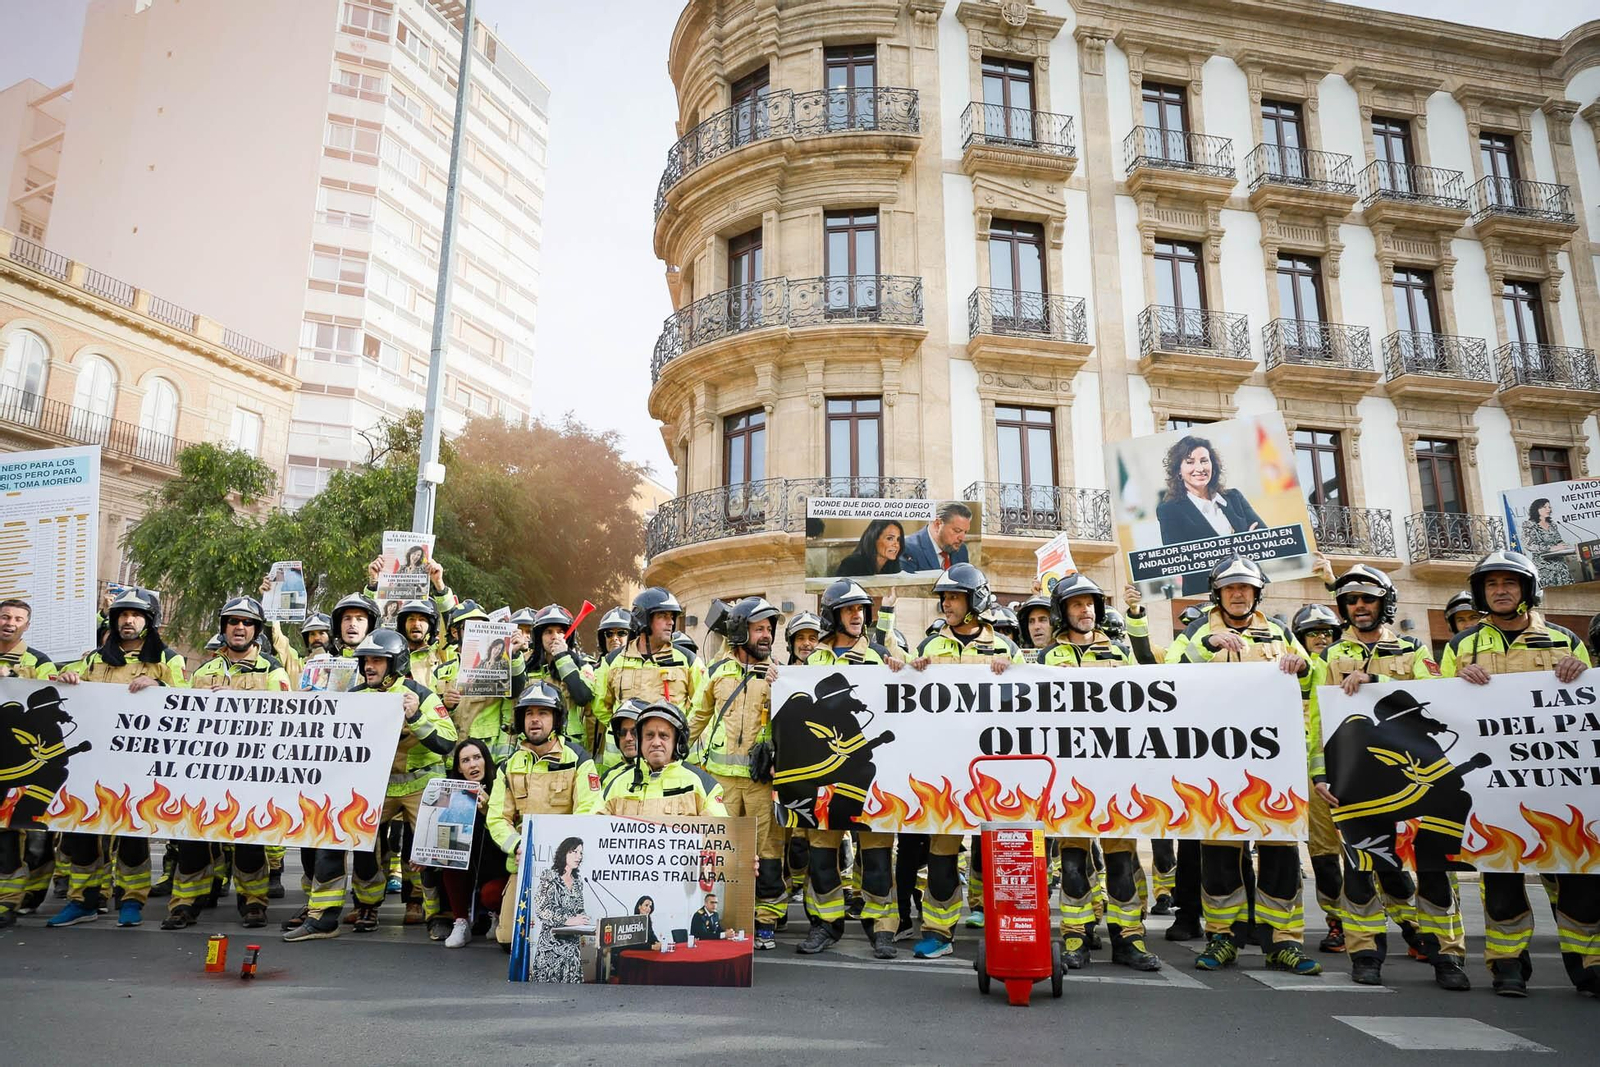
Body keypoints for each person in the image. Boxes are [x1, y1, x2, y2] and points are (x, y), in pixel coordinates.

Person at [1439, 549, 1596, 997]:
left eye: (1509, 583)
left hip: (1559, 786)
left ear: (1528, 589)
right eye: (1491, 584)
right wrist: (1453, 683)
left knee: (1578, 877)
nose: (1501, 591)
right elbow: (1439, 713)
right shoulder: (1459, 647)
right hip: (1491, 788)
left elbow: (1588, 707)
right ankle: (1507, 965)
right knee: (1501, 876)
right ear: (1480, 593)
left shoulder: (1566, 640)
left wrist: (1581, 673)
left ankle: (1590, 966)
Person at [1311, 565, 1466, 990]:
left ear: (1385, 603)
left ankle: (1447, 957)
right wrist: (1319, 773)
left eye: (1368, 599)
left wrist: (1376, 680)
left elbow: (1439, 697)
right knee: (1360, 871)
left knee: (1433, 870)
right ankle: (1365, 955)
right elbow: (1317, 723)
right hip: (1354, 784)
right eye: (1351, 601)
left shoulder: (1415, 650)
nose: (1359, 607)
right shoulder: (1327, 657)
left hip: (1422, 781)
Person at [1178, 555, 1320, 976]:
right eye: (1230, 589)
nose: (1238, 595)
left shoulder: (1279, 632)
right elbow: (1172, 681)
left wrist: (1303, 665)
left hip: (1273, 766)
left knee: (1281, 853)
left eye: (1245, 588)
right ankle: (1223, 937)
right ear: (1217, 594)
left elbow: (1310, 686)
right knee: (1219, 854)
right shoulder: (1197, 631)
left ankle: (1284, 942)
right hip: (1216, 765)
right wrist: (1206, 647)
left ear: (1257, 592)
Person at [285, 628, 455, 942]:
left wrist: (416, 716)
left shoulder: (421, 694)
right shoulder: (354, 697)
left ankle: (439, 914)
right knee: (337, 834)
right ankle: (330, 915)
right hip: (375, 787)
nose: (369, 667)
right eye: (365, 660)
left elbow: (447, 742)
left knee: (435, 850)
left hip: (421, 788)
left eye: (378, 660)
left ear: (396, 663)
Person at [1038, 573, 1161, 972]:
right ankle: (1076, 937)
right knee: (1072, 864)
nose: (1086, 610)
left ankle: (1129, 940)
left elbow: (1152, 678)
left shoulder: (1119, 652)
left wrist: (1137, 615)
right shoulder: (1045, 658)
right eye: (1077, 604)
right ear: (1062, 612)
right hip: (1068, 778)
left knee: (1122, 863)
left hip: (1114, 775)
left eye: (1091, 603)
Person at [48, 588, 187, 930]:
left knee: (132, 835)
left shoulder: (168, 660)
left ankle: (130, 899)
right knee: (83, 833)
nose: (128, 621)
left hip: (139, 766)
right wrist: (68, 679)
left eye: (135, 615)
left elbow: (187, 701)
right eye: (122, 615)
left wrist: (158, 684)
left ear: (149, 621)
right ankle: (83, 900)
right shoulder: (95, 658)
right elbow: (56, 689)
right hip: (92, 763)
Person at [908, 563, 1020, 960]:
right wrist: (907, 669)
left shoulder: (1006, 648)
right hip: (945, 774)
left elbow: (1029, 703)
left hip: (994, 772)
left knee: (995, 851)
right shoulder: (929, 647)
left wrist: (1015, 672)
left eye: (954, 597)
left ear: (975, 601)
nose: (946, 604)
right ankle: (938, 931)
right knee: (941, 853)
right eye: (944, 598)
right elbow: (901, 696)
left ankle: (1004, 925)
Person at [168, 596, 290, 932]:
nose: (240, 627)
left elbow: (285, 718)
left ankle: (253, 903)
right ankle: (184, 905)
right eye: (233, 622)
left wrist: (238, 699)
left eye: (247, 622)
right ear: (223, 627)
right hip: (206, 771)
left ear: (256, 630)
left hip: (252, 772)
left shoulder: (272, 669)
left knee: (249, 841)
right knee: (193, 840)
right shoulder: (205, 671)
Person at [799, 579, 905, 960]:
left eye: (861, 609)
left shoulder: (879, 654)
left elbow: (913, 685)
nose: (857, 615)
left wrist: (903, 668)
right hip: (822, 775)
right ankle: (825, 924)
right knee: (822, 856)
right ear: (833, 615)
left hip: (869, 775)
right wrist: (778, 679)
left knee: (876, 857)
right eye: (849, 609)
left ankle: (882, 928)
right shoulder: (812, 661)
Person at [691, 597, 786, 948]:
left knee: (767, 851)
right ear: (740, 630)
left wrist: (783, 690)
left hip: (761, 785)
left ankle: (766, 920)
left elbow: (791, 725)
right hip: (720, 784)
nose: (766, 635)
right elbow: (696, 718)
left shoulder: (780, 674)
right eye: (759, 628)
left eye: (769, 629)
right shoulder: (718, 672)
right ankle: (724, 918)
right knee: (722, 851)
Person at [483, 683, 603, 947]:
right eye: (528, 713)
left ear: (556, 719)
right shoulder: (509, 766)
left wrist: (565, 853)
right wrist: (517, 845)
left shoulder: (578, 760)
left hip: (568, 870)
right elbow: (497, 818)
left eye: (543, 713)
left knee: (568, 939)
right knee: (508, 940)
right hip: (525, 865)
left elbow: (590, 809)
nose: (535, 719)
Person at [0, 599, 57, 930]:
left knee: (15, 836)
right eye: (5, 616)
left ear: (27, 624)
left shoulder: (37, 660)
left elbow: (51, 699)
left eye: (18, 618)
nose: (10, 622)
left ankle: (10, 901)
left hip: (20, 763)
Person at [592, 588, 703, 749]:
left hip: (665, 756)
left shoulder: (688, 661)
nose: (671, 622)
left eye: (671, 616)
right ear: (644, 619)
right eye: (663, 616)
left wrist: (678, 735)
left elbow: (701, 706)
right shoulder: (612, 661)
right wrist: (624, 730)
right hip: (622, 759)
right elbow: (600, 705)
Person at [1154, 435, 1265, 595]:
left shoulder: (1234, 497)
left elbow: (1265, 539)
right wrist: (1242, 543)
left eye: (1204, 461)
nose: (1199, 468)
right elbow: (1179, 558)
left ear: (1213, 465)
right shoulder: (1169, 510)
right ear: (1179, 469)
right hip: (1204, 591)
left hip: (1249, 583)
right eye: (1190, 462)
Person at [437, 738, 509, 949]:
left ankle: (497, 915)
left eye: (477, 758)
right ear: (459, 768)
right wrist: (424, 856)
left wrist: (488, 812)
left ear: (486, 760)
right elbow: (440, 840)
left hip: (498, 868)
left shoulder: (501, 788)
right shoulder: (449, 794)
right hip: (467, 867)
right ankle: (460, 922)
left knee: (491, 894)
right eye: (466, 760)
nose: (473, 765)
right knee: (448, 863)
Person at [601, 701, 727, 817]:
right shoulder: (616, 785)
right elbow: (593, 831)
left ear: (677, 742)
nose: (656, 742)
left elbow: (718, 835)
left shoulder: (704, 785)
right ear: (641, 742)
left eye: (663, 736)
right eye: (649, 735)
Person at [523, 605, 596, 753]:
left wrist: (562, 658)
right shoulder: (526, 667)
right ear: (539, 637)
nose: (555, 637)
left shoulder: (583, 666)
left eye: (560, 632)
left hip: (569, 745)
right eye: (548, 632)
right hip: (533, 744)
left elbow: (583, 697)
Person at [533, 836, 589, 983]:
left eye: (581, 853)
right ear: (564, 853)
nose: (579, 856)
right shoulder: (550, 877)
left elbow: (579, 908)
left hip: (572, 949)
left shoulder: (578, 882)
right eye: (574, 852)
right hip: (552, 947)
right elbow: (541, 909)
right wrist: (567, 920)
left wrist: (583, 919)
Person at [898, 502, 973, 572]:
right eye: (957, 530)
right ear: (937, 524)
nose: (962, 538)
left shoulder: (961, 550)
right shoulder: (907, 549)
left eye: (965, 532)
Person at [1521, 497, 1573, 587]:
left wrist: (1563, 545)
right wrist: (1551, 548)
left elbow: (1558, 540)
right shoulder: (1529, 525)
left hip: (1560, 565)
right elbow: (1529, 545)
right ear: (1537, 509)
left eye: (1549, 507)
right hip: (1544, 567)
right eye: (1545, 507)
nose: (1548, 509)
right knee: (1552, 596)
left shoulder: (1552, 525)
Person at [834, 519, 905, 577]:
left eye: (898, 539)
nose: (896, 545)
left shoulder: (893, 564)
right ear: (873, 539)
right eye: (890, 538)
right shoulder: (851, 564)